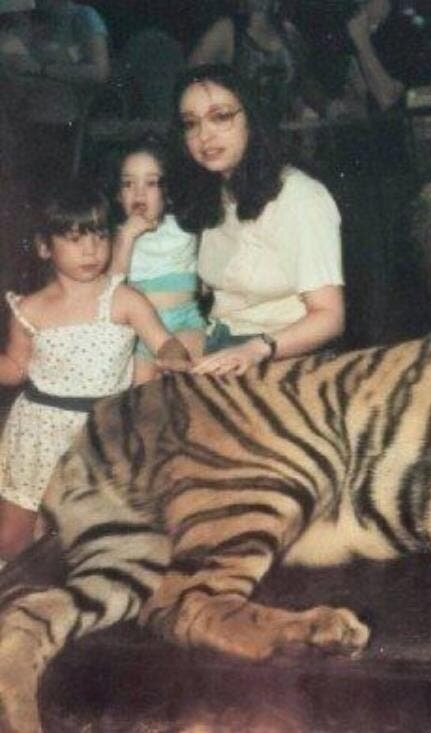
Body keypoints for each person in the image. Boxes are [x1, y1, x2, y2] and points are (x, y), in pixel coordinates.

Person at [0, 183, 191, 563]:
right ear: (44, 247)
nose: (90, 250)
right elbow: (15, 369)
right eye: (73, 238)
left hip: (100, 435)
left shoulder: (123, 300)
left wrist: (173, 355)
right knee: (11, 539)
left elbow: (163, 342)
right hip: (36, 434)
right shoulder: (30, 309)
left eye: (100, 236)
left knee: (91, 540)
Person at [168, 64, 345, 377]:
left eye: (220, 117)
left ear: (252, 119)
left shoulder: (299, 196)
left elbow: (330, 318)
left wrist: (255, 349)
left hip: (285, 360)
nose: (204, 135)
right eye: (191, 124)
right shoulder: (214, 190)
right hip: (221, 350)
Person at [108, 136, 206, 385]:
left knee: (186, 381)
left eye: (151, 183)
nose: (139, 192)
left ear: (168, 193)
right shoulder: (117, 236)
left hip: (186, 321)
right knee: (142, 394)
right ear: (118, 194)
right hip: (141, 333)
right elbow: (111, 287)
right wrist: (127, 237)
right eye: (128, 184)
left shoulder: (184, 228)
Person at [0, 0, 110, 182]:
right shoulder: (29, 17)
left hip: (63, 124)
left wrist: (42, 69)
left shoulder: (83, 16)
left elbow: (100, 71)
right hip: (21, 121)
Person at [188, 0, 330, 125]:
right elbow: (190, 79)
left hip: (282, 135)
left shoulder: (290, 34)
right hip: (237, 134)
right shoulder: (226, 31)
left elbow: (305, 83)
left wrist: (331, 107)